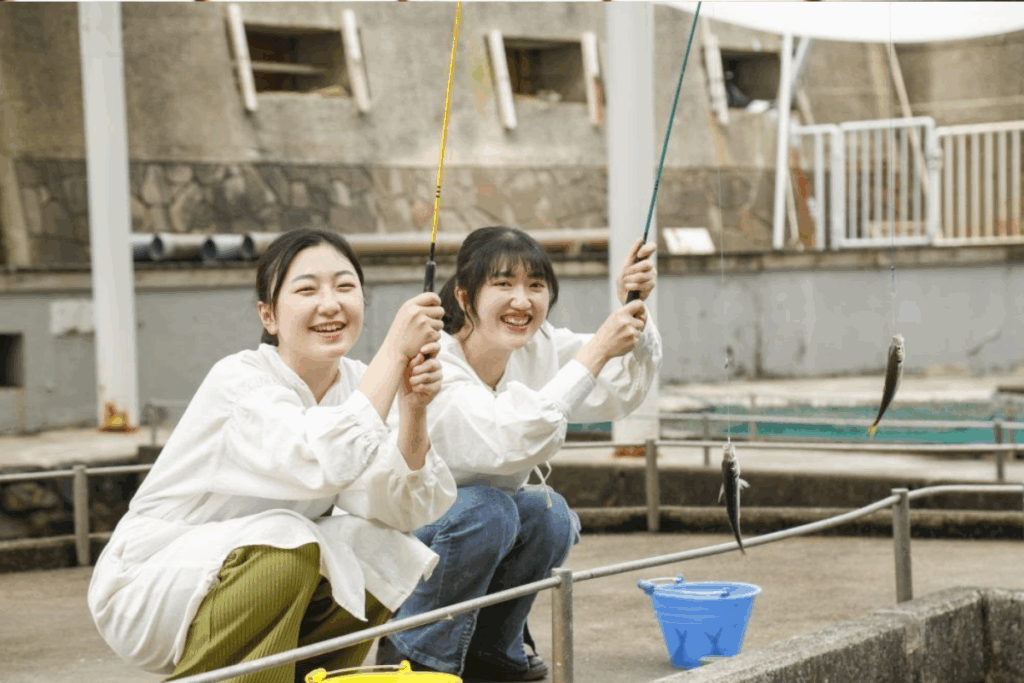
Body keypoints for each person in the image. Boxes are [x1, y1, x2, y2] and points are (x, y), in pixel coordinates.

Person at [88, 228, 457, 683]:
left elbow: (403, 510)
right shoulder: (240, 382)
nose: (330, 304)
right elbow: (324, 459)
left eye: (345, 287)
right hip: (155, 578)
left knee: (381, 548)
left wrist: (413, 411)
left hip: (264, 564)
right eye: (307, 289)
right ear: (269, 315)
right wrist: (393, 352)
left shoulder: (361, 383)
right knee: (288, 545)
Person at [376, 226, 662, 681]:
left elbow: (622, 386)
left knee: (550, 513)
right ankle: (416, 651)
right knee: (489, 510)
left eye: (535, 285)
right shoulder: (438, 363)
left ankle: (492, 647)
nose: (522, 301)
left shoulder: (540, 345)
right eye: (503, 284)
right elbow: (504, 439)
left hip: (478, 523)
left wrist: (632, 308)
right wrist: (599, 348)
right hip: (404, 534)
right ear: (465, 297)